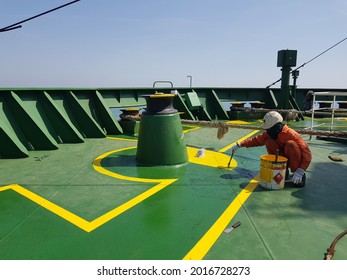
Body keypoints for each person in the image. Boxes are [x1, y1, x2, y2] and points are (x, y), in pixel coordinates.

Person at [231, 111, 312, 187]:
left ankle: (296, 174)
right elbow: (256, 140)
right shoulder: (270, 133)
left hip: (296, 162)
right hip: (283, 160)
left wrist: (300, 170)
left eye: (269, 128)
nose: (267, 131)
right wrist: (239, 145)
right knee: (269, 142)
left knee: (291, 144)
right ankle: (283, 170)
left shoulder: (291, 134)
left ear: (276, 126)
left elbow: (307, 154)